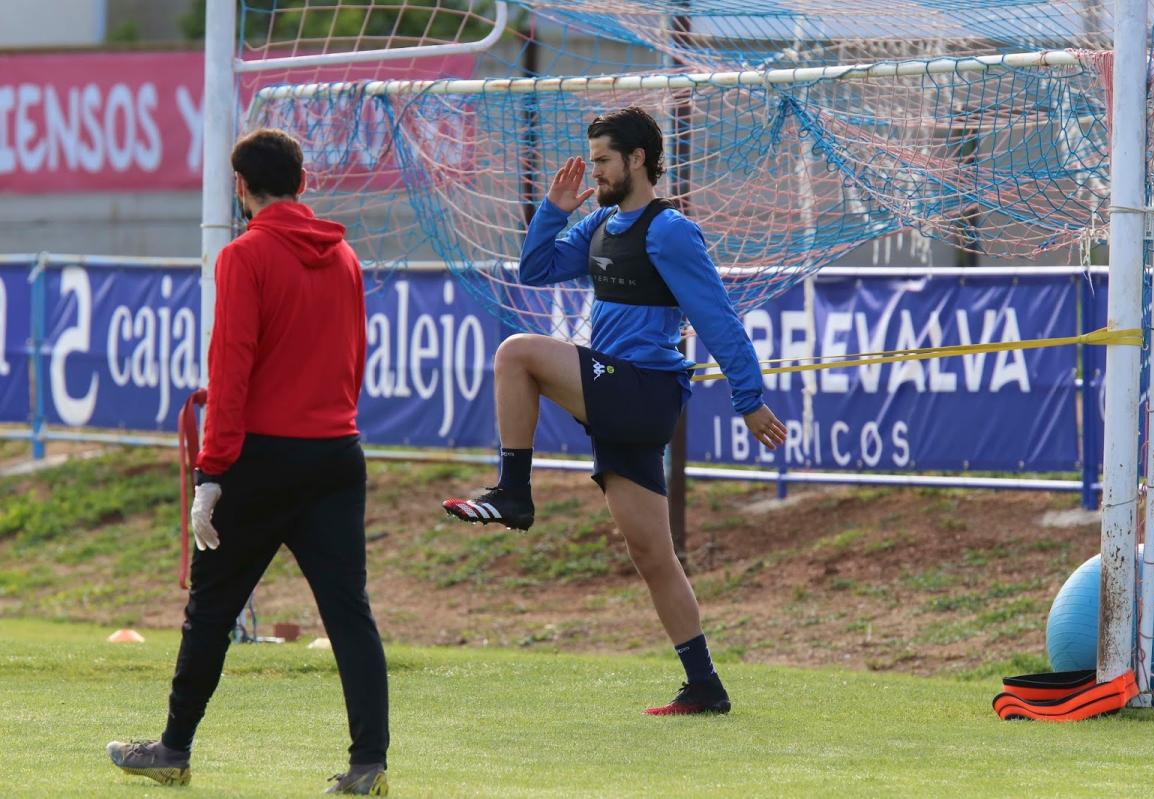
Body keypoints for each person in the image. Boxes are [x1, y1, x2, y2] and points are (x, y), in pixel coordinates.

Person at [442, 107, 787, 715]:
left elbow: (717, 318)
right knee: (652, 553)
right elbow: (536, 269)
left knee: (515, 354)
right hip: (619, 394)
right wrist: (554, 209)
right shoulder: (599, 222)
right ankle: (704, 685)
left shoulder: (671, 230)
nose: (595, 170)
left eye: (603, 160)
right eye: (593, 159)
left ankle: (514, 491)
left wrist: (749, 400)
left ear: (638, 160)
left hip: (644, 390)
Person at [106, 129, 390, 796]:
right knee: (351, 613)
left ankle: (173, 749)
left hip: (261, 459)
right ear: (303, 180)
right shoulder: (344, 255)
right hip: (336, 454)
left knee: (210, 611)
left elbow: (229, 372)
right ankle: (368, 764)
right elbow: (356, 356)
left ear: (241, 187)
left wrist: (213, 473)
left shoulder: (244, 256)